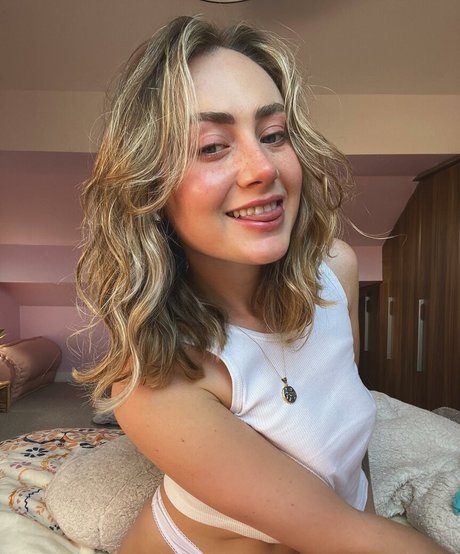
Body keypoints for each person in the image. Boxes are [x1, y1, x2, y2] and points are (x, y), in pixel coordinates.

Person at [75, 15, 448, 554]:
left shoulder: (336, 271)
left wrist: (362, 505)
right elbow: (337, 533)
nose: (262, 168)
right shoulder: (155, 381)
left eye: (274, 136)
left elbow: (345, 433)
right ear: (149, 186)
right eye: (212, 146)